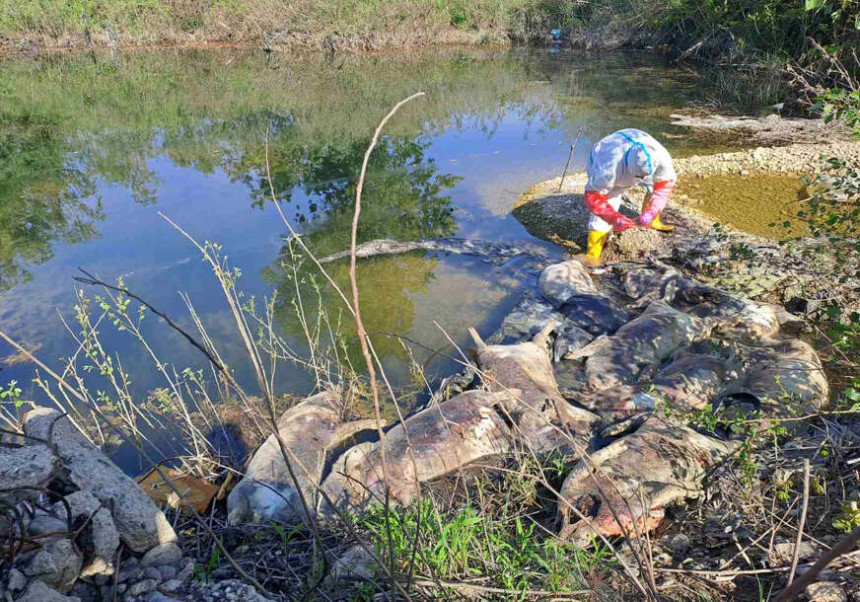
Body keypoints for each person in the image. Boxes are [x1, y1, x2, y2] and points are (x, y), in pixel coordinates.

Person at [584, 129, 676, 262]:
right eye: (637, 177)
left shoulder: (662, 157)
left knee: (653, 186)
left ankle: (652, 220)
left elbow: (663, 189)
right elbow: (593, 197)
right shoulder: (607, 167)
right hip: (605, 158)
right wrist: (614, 218)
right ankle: (592, 256)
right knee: (609, 202)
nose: (638, 181)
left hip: (636, 152)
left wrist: (652, 211)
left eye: (643, 177)